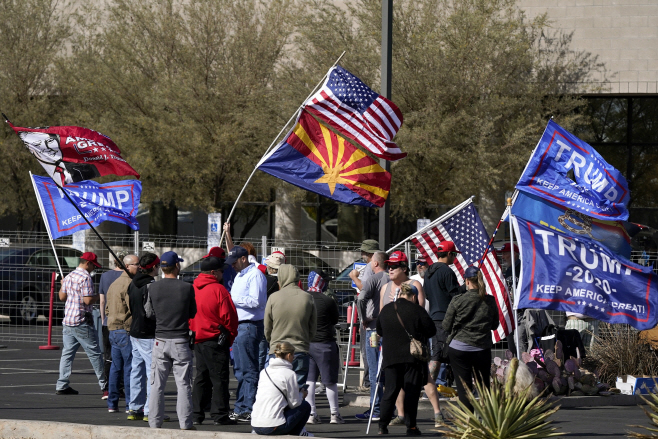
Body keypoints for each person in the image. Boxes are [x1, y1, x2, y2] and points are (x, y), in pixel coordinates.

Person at [378, 251, 443, 428]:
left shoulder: (414, 285)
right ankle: (400, 414)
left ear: (404, 268)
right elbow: (382, 315)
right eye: (388, 266)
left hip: (414, 343)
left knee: (425, 378)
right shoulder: (385, 288)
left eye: (394, 266)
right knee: (394, 382)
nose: (390, 270)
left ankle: (437, 412)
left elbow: (420, 312)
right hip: (392, 344)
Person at [377, 284, 436, 436]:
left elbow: (379, 330)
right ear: (414, 297)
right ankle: (411, 427)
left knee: (390, 391)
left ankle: (382, 426)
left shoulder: (386, 310)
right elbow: (431, 330)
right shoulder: (417, 310)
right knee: (411, 392)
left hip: (390, 357)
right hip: (412, 358)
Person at [148, 251, 197, 430]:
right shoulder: (186, 287)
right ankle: (185, 424)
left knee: (156, 385)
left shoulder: (152, 287)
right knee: (183, 384)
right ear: (177, 266)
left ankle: (154, 423)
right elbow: (193, 312)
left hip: (160, 339)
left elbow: (149, 312)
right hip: (180, 340)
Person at [190, 256, 239, 426]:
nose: (223, 273)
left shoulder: (193, 288)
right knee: (219, 378)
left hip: (198, 338)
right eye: (221, 271)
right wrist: (230, 336)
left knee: (201, 377)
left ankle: (196, 414)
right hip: (216, 338)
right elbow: (230, 317)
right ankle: (219, 415)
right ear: (213, 272)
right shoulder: (219, 290)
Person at [443, 266, 499, 412]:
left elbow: (446, 325)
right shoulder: (490, 301)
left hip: (459, 348)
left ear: (467, 281)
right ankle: (488, 420)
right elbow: (494, 325)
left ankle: (468, 422)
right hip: (482, 348)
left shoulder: (458, 300)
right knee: (484, 386)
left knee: (464, 388)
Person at [55, 252, 107, 396]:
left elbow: (61, 297)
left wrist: (63, 285)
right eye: (93, 265)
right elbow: (88, 300)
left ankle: (62, 383)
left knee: (67, 353)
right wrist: (101, 295)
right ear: (87, 263)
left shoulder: (70, 276)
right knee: (95, 353)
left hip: (68, 320)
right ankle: (105, 385)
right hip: (81, 320)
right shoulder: (85, 277)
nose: (93, 269)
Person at [421, 241, 460, 426]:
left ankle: (430, 386)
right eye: (455, 255)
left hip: (434, 316)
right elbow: (454, 296)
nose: (456, 258)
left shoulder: (429, 272)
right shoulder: (447, 272)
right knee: (446, 353)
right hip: (446, 317)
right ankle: (433, 385)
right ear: (450, 254)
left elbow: (428, 295)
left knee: (436, 351)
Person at [227, 245, 267, 423]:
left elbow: (257, 301)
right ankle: (243, 406)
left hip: (249, 325)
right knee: (242, 369)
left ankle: (247, 408)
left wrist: (233, 299)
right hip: (241, 325)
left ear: (244, 259)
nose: (232, 265)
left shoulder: (255, 275)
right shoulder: (241, 275)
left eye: (234, 262)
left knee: (248, 369)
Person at [265, 264, 317, 387]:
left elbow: (267, 327)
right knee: (297, 393)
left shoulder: (273, 298)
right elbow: (313, 328)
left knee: (276, 392)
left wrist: (272, 341)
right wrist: (305, 341)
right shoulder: (308, 298)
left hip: (277, 350)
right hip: (299, 349)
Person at [304, 271, 344, 425]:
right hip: (325, 342)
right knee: (330, 381)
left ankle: (312, 413)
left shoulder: (303, 298)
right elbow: (334, 320)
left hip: (307, 343)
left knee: (310, 380)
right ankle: (334, 414)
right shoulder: (328, 300)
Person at [354, 251, 389, 422]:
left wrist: (364, 319)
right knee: (387, 372)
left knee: (375, 370)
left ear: (375, 263)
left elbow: (361, 299)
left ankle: (375, 410)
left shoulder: (373, 280)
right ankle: (387, 408)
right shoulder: (391, 279)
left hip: (373, 330)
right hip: (389, 330)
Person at [251, 342, 313, 437]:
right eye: (293, 355)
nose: (293, 358)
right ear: (288, 355)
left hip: (255, 425)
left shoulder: (264, 372)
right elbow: (294, 404)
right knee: (305, 406)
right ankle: (296, 434)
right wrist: (302, 395)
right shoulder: (289, 374)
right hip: (272, 427)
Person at [126, 252, 160, 422]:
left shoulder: (132, 283)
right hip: (147, 332)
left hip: (135, 330)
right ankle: (149, 409)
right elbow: (150, 312)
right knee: (151, 371)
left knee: (136, 370)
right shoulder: (150, 285)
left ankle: (134, 407)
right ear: (153, 267)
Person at [105, 254, 139, 413]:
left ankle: (112, 404)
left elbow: (106, 308)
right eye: (136, 264)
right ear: (127, 266)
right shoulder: (129, 284)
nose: (139, 267)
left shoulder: (114, 284)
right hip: (124, 330)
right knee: (130, 367)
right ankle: (130, 405)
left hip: (113, 328)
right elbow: (133, 307)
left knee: (115, 367)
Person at [349, 239, 381, 391]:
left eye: (363, 251)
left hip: (369, 317)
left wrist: (355, 277)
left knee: (368, 349)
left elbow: (365, 290)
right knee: (374, 349)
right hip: (377, 316)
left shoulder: (369, 267)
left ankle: (369, 382)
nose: (361, 254)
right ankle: (373, 380)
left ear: (368, 253)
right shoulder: (377, 268)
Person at [98, 249, 129, 400]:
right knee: (125, 357)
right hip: (123, 322)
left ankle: (107, 388)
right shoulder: (128, 277)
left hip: (108, 321)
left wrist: (104, 319)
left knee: (108, 356)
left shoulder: (105, 276)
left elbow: (102, 300)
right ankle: (121, 387)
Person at [259, 252, 284, 371]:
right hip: (281, 320)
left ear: (269, 267)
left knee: (262, 351)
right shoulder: (286, 282)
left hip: (264, 318)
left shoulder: (263, 280)